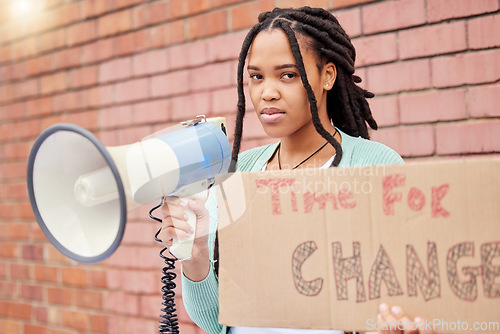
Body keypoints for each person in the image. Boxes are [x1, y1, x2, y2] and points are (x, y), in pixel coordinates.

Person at [158, 6, 431, 334]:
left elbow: (406, 300)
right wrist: (197, 255)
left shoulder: (377, 166)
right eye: (256, 77)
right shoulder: (240, 173)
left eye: (287, 74)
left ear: (327, 75)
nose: (266, 92)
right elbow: (216, 323)